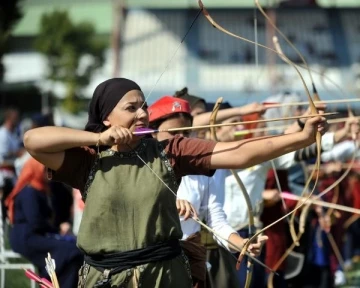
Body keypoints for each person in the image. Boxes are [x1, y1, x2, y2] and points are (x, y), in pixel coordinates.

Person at [24, 78, 327, 288]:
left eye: (143, 106)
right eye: (131, 108)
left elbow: (241, 154)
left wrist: (300, 137)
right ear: (106, 118)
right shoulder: (89, 159)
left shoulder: (170, 149)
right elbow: (33, 140)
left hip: (164, 276)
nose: (142, 113)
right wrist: (97, 139)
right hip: (105, 278)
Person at [148, 96, 267, 288]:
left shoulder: (206, 168)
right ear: (152, 133)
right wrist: (169, 201)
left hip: (187, 261)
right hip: (147, 264)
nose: (180, 139)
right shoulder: (139, 163)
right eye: (173, 133)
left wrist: (241, 243)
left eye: (187, 132)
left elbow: (216, 221)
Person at [5, 157, 83, 288]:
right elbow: (36, 222)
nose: (48, 173)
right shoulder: (29, 192)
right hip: (27, 238)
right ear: (35, 170)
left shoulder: (42, 189)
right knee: (71, 252)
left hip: (36, 235)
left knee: (75, 249)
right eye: (45, 170)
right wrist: (58, 230)